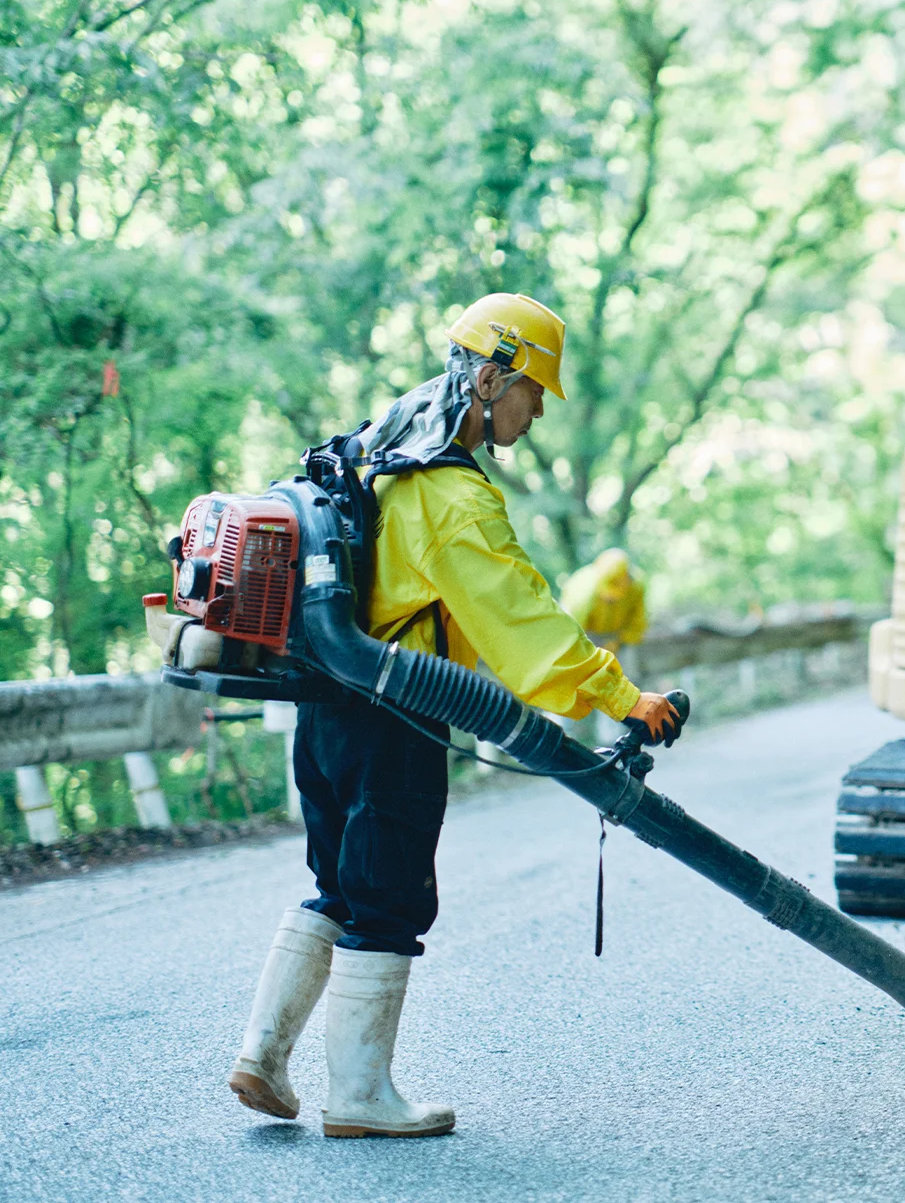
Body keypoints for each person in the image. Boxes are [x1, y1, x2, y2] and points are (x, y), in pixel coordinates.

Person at [226, 293, 683, 1140]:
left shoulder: (374, 450)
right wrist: (623, 698)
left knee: (339, 883)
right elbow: (522, 619)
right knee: (391, 896)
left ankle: (263, 1054)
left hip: (324, 708)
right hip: (393, 715)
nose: (539, 410)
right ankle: (359, 1096)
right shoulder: (450, 495)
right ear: (487, 376)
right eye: (534, 391)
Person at [561, 548, 649, 653]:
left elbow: (638, 624)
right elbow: (569, 633)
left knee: (625, 661)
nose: (612, 598)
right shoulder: (582, 592)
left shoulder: (636, 586)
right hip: (585, 636)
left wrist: (619, 641)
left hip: (619, 638)